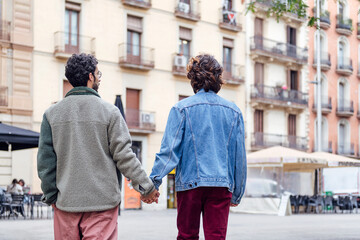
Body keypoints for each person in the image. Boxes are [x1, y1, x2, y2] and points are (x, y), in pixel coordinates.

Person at [37, 53, 159, 240]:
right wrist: (147, 188)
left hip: (66, 205)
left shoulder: (51, 115)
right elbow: (125, 156)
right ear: (90, 77)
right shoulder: (110, 112)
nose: (98, 78)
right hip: (102, 205)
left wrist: (52, 196)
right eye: (97, 73)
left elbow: (45, 164)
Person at [147, 54, 247, 240]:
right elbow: (239, 158)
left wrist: (152, 183)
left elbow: (169, 153)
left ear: (193, 79)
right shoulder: (234, 111)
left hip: (189, 185)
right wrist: (237, 193)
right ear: (218, 78)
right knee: (216, 237)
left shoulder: (181, 109)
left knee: (186, 236)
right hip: (221, 185)